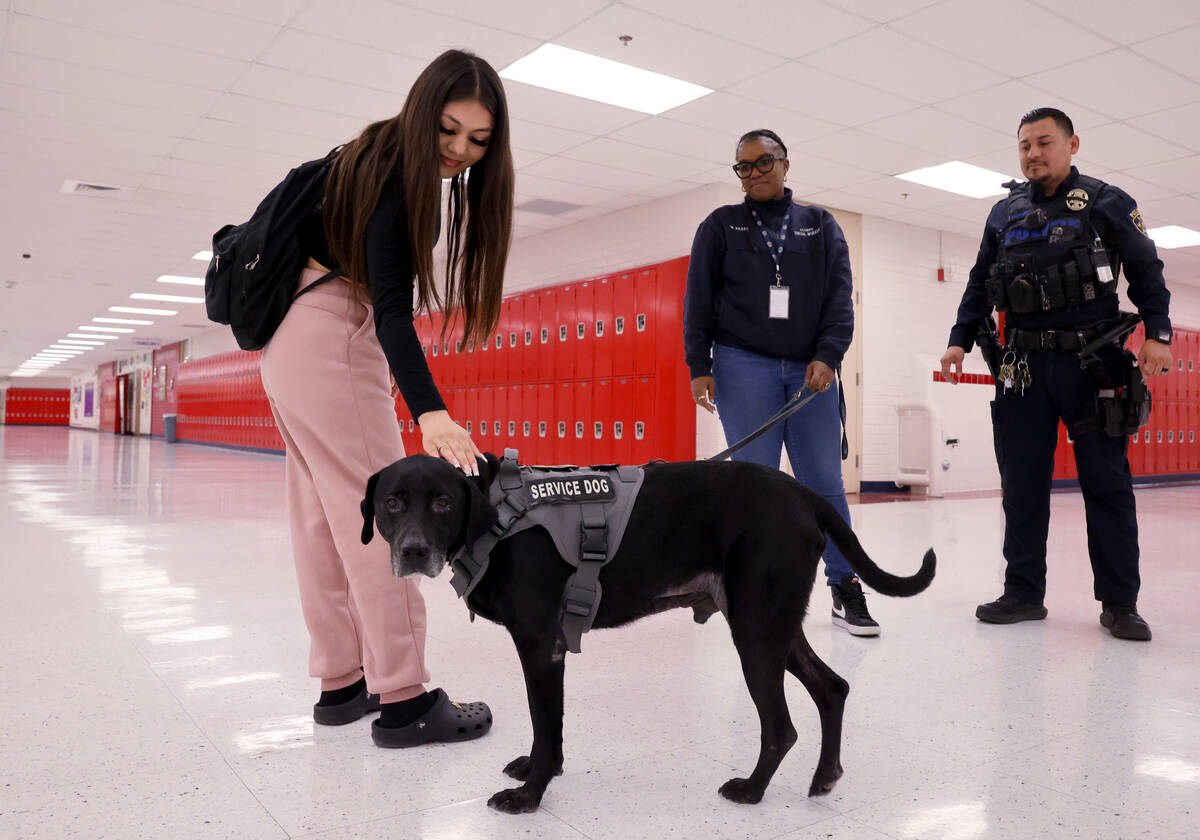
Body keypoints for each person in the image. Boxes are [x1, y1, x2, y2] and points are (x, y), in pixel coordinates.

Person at [259, 49, 514, 745]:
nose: (461, 150)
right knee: (391, 520)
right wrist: (431, 411)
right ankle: (404, 698)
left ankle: (341, 684)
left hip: (291, 343)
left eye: (479, 140)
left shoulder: (364, 153)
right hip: (334, 338)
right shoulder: (399, 178)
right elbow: (395, 314)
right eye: (449, 130)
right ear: (422, 112)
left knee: (323, 520)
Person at [940, 107, 1172, 641]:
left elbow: (1145, 269)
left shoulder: (1108, 202)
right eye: (1024, 146)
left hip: (1091, 365)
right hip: (1022, 368)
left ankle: (1119, 602)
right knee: (1021, 487)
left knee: (1106, 485)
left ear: (1073, 145)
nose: (1032, 154)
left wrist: (1158, 334)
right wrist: (958, 339)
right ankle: (1023, 592)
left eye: (1044, 142)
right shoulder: (1004, 213)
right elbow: (979, 282)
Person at [683, 128, 879, 636]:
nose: (754, 173)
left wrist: (829, 355)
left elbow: (840, 299)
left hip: (809, 371)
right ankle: (756, 587)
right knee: (754, 486)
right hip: (740, 364)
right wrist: (698, 364)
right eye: (743, 166)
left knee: (824, 484)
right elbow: (698, 299)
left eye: (764, 162)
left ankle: (844, 584)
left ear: (786, 164)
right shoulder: (721, 225)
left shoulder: (819, 224)